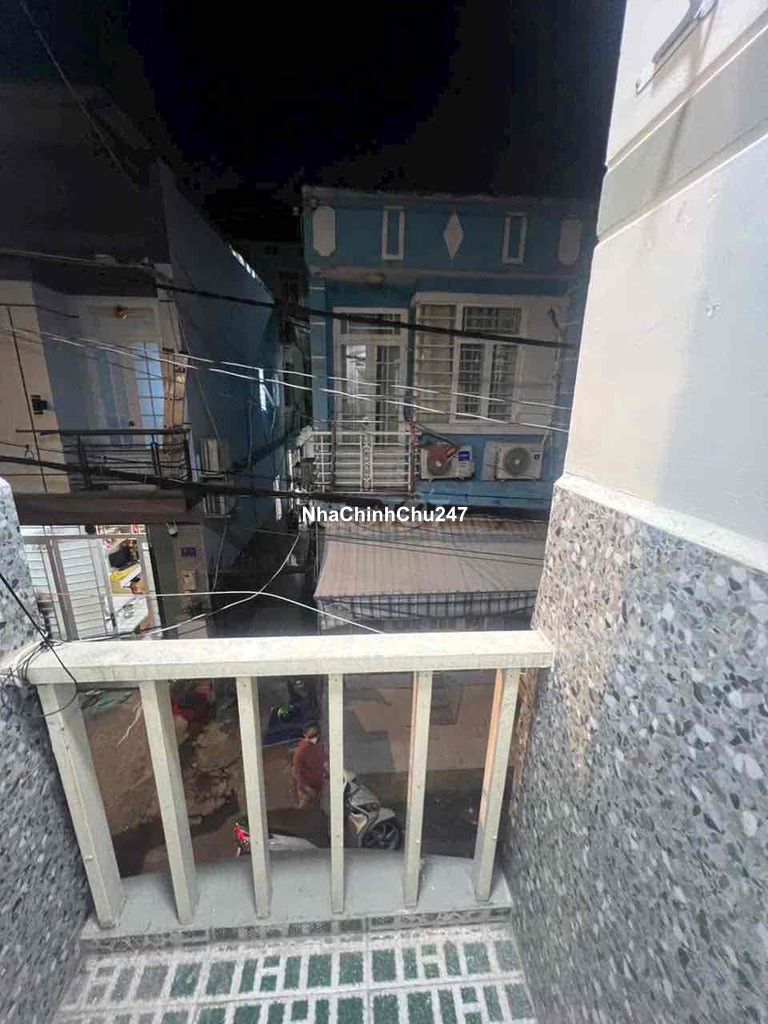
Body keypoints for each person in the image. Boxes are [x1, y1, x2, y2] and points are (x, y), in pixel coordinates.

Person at [292, 724, 328, 809]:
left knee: (317, 809)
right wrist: (306, 787)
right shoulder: (301, 750)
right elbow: (296, 771)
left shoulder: (319, 746)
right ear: (305, 735)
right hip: (306, 790)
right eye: (311, 736)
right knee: (304, 810)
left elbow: (324, 760)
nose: (314, 738)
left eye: (315, 735)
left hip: (318, 786)